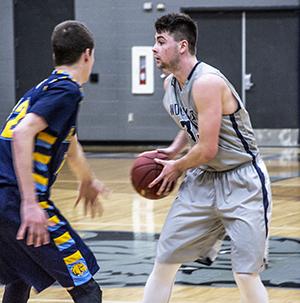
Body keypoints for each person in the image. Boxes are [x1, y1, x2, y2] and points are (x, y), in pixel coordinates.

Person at [142, 13, 272, 303]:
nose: (154, 48)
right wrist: (175, 150)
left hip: (242, 180)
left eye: (161, 42)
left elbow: (208, 148)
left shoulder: (207, 82)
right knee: (164, 261)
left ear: (182, 46)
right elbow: (193, 124)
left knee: (245, 273)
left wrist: (176, 166)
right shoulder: (170, 86)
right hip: (203, 179)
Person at [0, 20, 108, 303]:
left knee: (21, 276)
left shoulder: (45, 88)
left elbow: (70, 144)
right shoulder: (67, 91)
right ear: (88, 54)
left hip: (3, 199)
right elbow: (23, 133)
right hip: (15, 198)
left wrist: (87, 179)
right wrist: (30, 203)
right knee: (86, 287)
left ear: (55, 55)